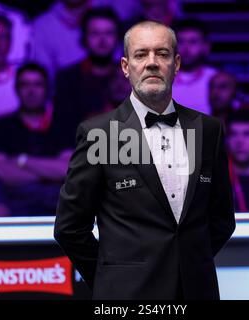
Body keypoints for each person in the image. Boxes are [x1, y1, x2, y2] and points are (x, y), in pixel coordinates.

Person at [54, 21, 235, 300]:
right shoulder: (99, 133)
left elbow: (222, 219)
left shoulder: (208, 130)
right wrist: (111, 278)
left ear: (176, 64)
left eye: (162, 54)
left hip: (197, 291)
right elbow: (69, 228)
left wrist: (186, 262)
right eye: (141, 55)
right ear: (126, 67)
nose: (152, 63)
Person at [0, 63, 73, 216]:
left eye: (37, 85)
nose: (31, 91)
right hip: (13, 203)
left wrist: (21, 161)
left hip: (59, 202)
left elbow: (68, 170)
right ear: (16, 89)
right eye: (25, 85)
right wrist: (49, 174)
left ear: (48, 89)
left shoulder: (65, 125)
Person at [54, 7, 121, 148]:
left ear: (117, 38)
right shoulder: (67, 79)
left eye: (109, 33)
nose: (102, 40)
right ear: (84, 38)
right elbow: (64, 129)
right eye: (95, 33)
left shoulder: (128, 77)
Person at [172, 19, 218, 115]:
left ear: (206, 47)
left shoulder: (216, 79)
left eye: (193, 42)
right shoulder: (160, 78)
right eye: (181, 42)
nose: (186, 48)